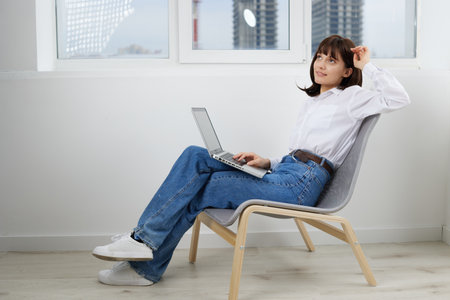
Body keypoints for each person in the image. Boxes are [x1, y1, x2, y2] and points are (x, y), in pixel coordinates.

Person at [92, 35, 410, 286]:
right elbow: (297, 154)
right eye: (319, 56)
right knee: (196, 158)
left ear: (347, 70)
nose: (321, 64)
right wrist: (265, 161)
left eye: (331, 60)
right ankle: (144, 255)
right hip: (284, 173)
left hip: (301, 186)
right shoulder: (312, 102)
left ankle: (143, 253)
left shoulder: (352, 99)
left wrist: (368, 65)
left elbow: (398, 98)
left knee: (200, 179)